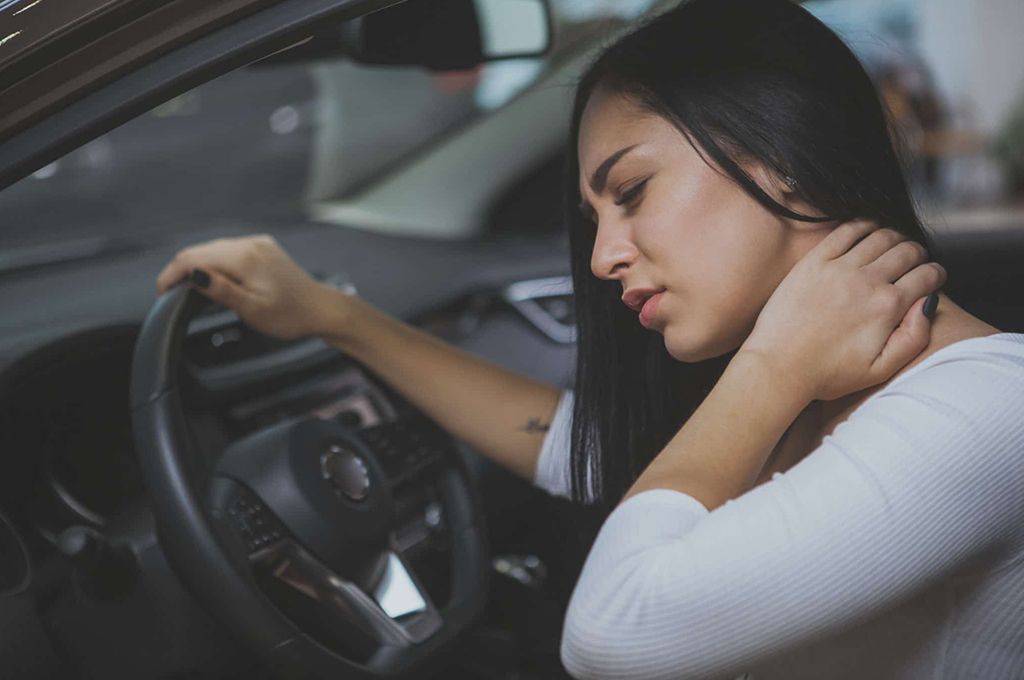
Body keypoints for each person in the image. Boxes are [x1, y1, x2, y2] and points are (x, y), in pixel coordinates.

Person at [155, 0, 1024, 677]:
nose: (606, 256)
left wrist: (771, 365)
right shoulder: (824, 390)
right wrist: (331, 316)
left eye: (633, 190)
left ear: (779, 153)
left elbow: (615, 634)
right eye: (593, 217)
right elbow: (579, 442)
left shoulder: (982, 407)